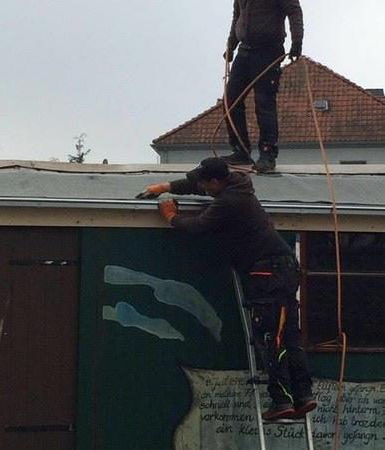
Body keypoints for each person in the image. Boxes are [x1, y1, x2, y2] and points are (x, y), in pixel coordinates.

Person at [138, 157, 316, 420]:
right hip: (284, 268)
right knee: (289, 336)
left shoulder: (229, 202)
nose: (202, 188)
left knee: (270, 337)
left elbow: (198, 226)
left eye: (204, 183)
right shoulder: (236, 185)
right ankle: (303, 395)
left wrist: (171, 217)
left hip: (267, 274)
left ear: (215, 181)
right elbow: (194, 185)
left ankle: (282, 401)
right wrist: (164, 186)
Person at [223, 0, 304, 173]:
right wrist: (231, 45)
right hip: (245, 50)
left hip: (268, 51)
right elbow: (238, 16)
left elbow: (294, 11)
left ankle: (268, 153)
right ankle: (240, 150)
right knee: (230, 100)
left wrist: (297, 42)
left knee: (264, 103)